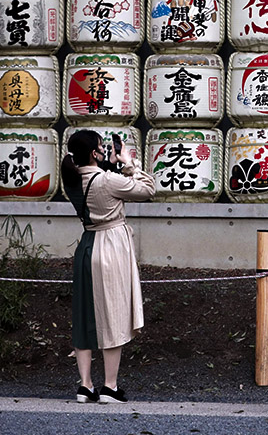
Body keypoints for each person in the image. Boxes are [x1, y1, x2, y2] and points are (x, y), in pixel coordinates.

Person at [62, 130, 155, 404]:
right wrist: (128, 162)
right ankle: (110, 387)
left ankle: (85, 385)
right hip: (110, 247)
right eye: (101, 148)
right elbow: (147, 189)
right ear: (94, 153)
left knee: (84, 317)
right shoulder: (108, 180)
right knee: (112, 316)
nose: (104, 151)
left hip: (87, 244)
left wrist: (112, 166)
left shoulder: (72, 178)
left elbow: (100, 182)